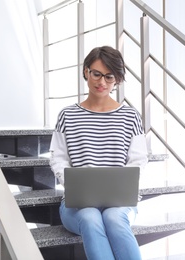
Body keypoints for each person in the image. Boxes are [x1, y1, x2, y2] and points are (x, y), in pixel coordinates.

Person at [49, 46, 148, 260]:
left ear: (117, 79)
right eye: (96, 74)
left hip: (120, 204)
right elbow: (58, 158)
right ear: (86, 71)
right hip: (76, 205)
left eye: (109, 76)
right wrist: (73, 184)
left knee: (113, 218)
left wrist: (123, 188)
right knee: (91, 218)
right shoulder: (68, 115)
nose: (102, 82)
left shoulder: (130, 116)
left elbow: (138, 160)